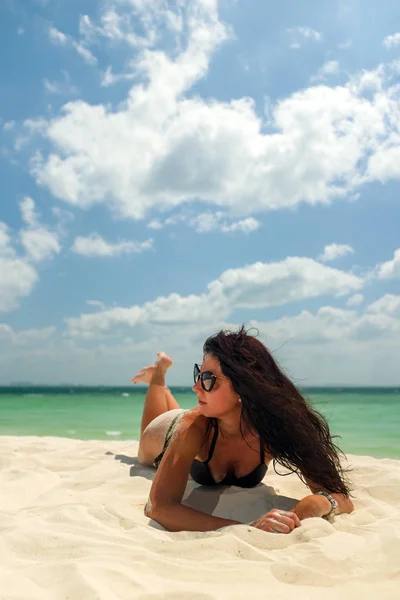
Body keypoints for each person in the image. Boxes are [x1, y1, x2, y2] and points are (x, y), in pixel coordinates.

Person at [134, 326, 354, 533]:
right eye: (198, 375)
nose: (196, 387)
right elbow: (157, 507)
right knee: (146, 444)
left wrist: (312, 505)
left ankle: (161, 381)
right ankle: (158, 377)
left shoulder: (277, 428)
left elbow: (341, 498)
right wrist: (246, 527)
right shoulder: (191, 427)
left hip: (206, 417)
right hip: (166, 432)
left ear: (243, 385)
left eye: (208, 379)